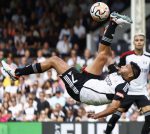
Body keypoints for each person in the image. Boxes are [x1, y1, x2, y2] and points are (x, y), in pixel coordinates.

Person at [1, 12, 140, 118]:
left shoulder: (123, 87)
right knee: (102, 55)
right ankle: (113, 22)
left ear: (130, 74)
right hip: (90, 80)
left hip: (81, 90)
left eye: (126, 67)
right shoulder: (118, 73)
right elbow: (105, 55)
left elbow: (114, 107)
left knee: (54, 60)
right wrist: (109, 33)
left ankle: (16, 74)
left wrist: (98, 115)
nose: (123, 66)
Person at [92, 34, 150, 134]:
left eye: (141, 40)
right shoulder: (126, 56)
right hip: (127, 91)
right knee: (115, 116)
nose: (139, 42)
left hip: (141, 92)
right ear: (133, 42)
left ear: (144, 42)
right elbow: (118, 71)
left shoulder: (149, 57)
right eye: (137, 40)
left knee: (149, 117)